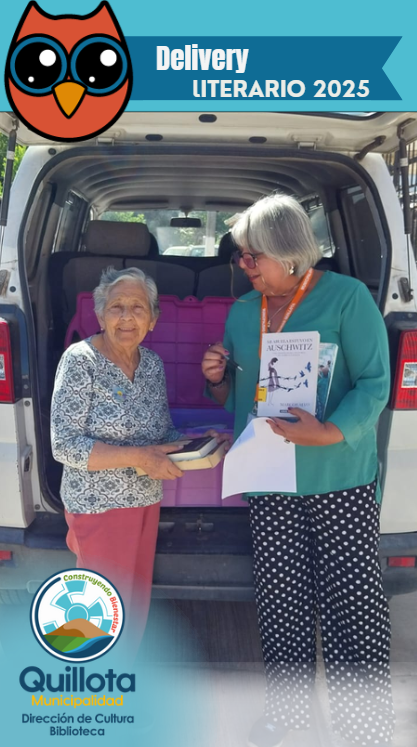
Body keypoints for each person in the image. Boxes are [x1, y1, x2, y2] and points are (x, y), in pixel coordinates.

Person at [201, 194, 394, 747]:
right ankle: (289, 716)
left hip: (337, 478)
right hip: (268, 480)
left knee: (353, 608)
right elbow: (237, 399)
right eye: (241, 256)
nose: (243, 265)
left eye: (252, 255)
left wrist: (329, 432)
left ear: (287, 252)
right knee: (282, 604)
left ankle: (364, 729)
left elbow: (375, 384)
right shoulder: (243, 311)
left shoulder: (347, 298)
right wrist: (217, 379)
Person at [50, 266, 184, 650]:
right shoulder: (81, 361)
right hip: (99, 507)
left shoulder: (152, 365)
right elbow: (65, 445)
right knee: (97, 618)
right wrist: (141, 458)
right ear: (100, 315)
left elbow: (161, 433)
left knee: (134, 608)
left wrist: (201, 443)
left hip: (145, 501)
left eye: (138, 308)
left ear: (153, 319)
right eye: (116, 307)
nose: (127, 317)